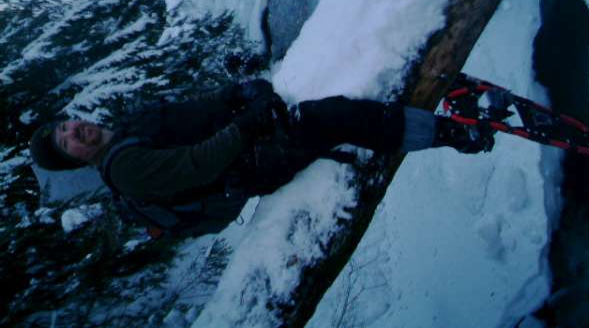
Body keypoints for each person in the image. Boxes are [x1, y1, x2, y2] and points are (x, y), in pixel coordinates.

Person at [29, 79, 494, 235]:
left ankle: (431, 110)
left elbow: (190, 114)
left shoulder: (126, 129)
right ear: (76, 160)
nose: (75, 131)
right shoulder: (124, 168)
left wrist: (233, 95)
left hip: (243, 147)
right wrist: (248, 124)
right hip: (248, 166)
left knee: (323, 106)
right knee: (325, 117)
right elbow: (198, 164)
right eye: (68, 142)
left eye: (67, 126)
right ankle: (453, 133)